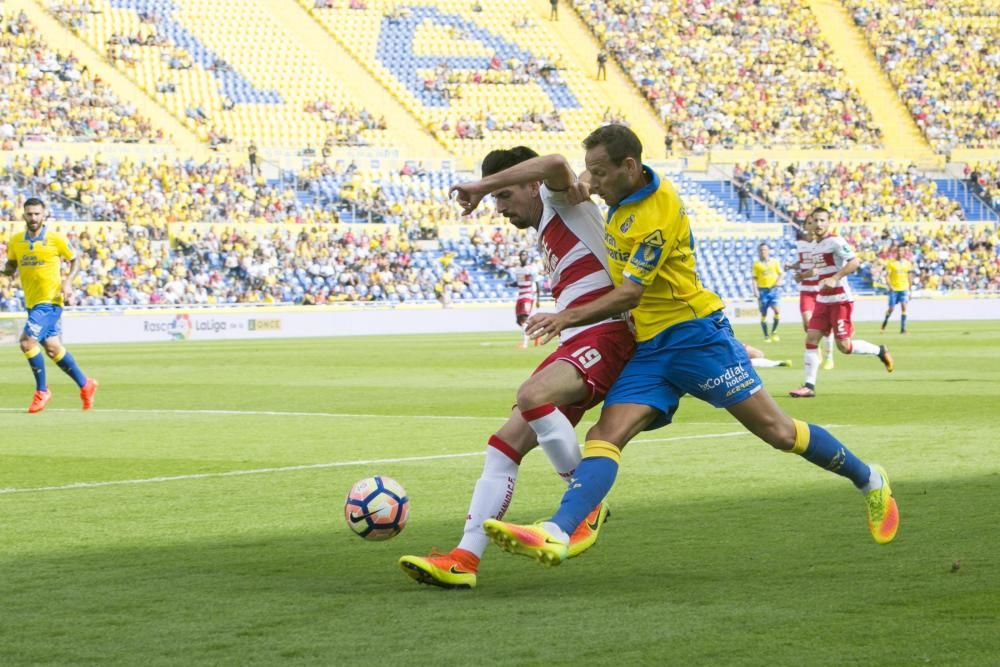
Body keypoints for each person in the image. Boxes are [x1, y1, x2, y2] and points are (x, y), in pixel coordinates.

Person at [468, 126, 897, 570]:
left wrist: (564, 318)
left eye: (598, 173)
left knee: (778, 432)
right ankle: (559, 530)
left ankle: (869, 478)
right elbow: (567, 174)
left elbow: (630, 293)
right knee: (603, 435)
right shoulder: (617, 194)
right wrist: (582, 182)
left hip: (696, 337)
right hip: (651, 346)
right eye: (589, 172)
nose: (590, 183)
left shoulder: (657, 213)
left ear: (628, 167)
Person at [398, 147, 635, 589]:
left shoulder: (562, 199)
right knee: (502, 445)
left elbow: (555, 163)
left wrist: (480, 184)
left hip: (608, 334)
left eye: (505, 196)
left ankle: (585, 503)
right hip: (579, 339)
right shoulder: (547, 224)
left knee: (532, 395)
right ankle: (464, 559)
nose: (500, 208)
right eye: (495, 200)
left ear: (532, 186)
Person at [2, 198, 98, 414]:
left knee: (27, 343)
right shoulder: (16, 241)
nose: (33, 217)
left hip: (51, 301)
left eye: (37, 213)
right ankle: (85, 384)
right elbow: (11, 264)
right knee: (53, 348)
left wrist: (67, 282)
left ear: (44, 214)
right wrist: (4, 270)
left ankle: (42, 391)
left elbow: (75, 260)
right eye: (29, 214)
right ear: (24, 215)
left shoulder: (55, 239)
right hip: (32, 302)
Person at [789, 208, 894, 398]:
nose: (819, 224)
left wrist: (835, 277)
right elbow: (818, 270)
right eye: (816, 221)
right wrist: (802, 276)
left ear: (829, 222)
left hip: (840, 300)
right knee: (811, 339)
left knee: (844, 347)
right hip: (822, 299)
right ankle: (808, 386)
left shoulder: (836, 241)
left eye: (822, 220)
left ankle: (880, 350)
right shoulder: (814, 246)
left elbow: (854, 262)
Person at [786, 220, 834, 369]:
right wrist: (793, 266)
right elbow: (804, 262)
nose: (813, 226)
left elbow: (816, 269)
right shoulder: (800, 244)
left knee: (825, 327)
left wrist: (802, 276)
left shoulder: (821, 244)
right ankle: (816, 349)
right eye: (810, 223)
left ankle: (829, 357)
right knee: (808, 325)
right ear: (806, 226)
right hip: (806, 290)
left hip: (819, 288)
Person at [751, 242, 782, 342]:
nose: (763, 251)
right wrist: (755, 290)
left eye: (764, 249)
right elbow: (754, 278)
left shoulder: (775, 262)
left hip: (773, 290)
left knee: (777, 310)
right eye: (761, 250)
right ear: (758, 252)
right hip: (762, 291)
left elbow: (781, 274)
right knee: (764, 314)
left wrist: (778, 282)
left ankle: (774, 332)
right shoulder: (756, 264)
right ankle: (766, 336)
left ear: (768, 251)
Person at [510, 249, 541, 348]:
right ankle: (537, 332)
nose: (523, 256)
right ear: (519, 257)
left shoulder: (531, 268)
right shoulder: (517, 269)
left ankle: (525, 343)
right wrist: (510, 284)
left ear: (528, 257)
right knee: (518, 321)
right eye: (522, 255)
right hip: (520, 295)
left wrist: (538, 299)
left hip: (528, 295)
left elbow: (537, 282)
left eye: (525, 255)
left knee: (524, 319)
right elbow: (518, 282)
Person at [881, 246, 913, 334]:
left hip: (904, 288)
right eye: (898, 251)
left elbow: (910, 277)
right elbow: (886, 275)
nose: (899, 253)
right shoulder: (891, 263)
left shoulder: (908, 263)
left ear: (904, 252)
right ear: (896, 252)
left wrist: (910, 291)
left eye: (901, 251)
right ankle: (885, 322)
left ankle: (903, 329)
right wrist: (890, 286)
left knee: (904, 307)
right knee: (891, 309)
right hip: (894, 289)